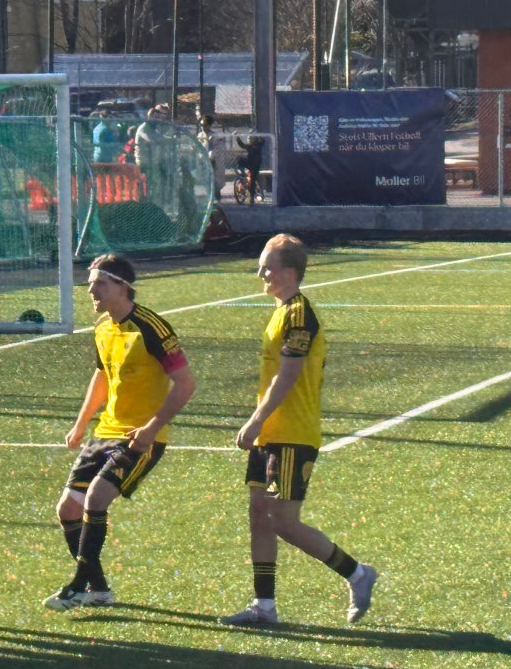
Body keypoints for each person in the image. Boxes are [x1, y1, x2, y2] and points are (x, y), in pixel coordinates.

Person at [221, 234, 377, 626]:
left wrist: (255, 420)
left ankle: (357, 573)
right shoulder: (280, 312)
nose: (261, 274)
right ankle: (264, 606)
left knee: (283, 521)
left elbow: (288, 375)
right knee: (259, 515)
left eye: (267, 267)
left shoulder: (299, 315)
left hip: (293, 433)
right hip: (270, 435)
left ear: (290, 271)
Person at [45, 253, 196, 610]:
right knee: (68, 509)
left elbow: (186, 384)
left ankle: (77, 585)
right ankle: (98, 590)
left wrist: (152, 428)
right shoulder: (102, 328)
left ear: (123, 287)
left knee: (96, 498)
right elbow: (102, 376)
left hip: (140, 438)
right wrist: (81, 424)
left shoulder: (151, 327)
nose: (91, 291)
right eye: (90, 284)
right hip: (105, 432)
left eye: (99, 283)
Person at [235, 132, 266, 205]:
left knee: (252, 181)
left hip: (255, 166)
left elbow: (263, 141)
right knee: (239, 159)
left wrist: (260, 136)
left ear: (254, 139)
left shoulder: (258, 144)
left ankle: (251, 197)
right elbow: (242, 145)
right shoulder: (249, 146)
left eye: (250, 138)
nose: (249, 140)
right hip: (249, 162)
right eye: (249, 138)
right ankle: (241, 171)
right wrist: (237, 138)